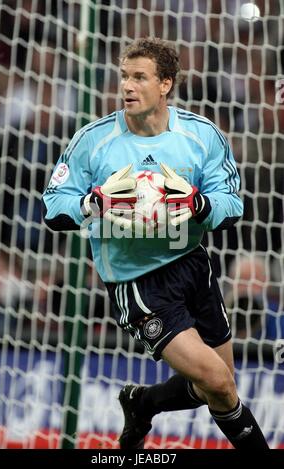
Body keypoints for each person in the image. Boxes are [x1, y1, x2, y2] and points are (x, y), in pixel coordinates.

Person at [42, 37, 269, 450]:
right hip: (137, 281)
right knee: (216, 379)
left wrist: (200, 205)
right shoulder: (93, 142)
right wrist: (92, 204)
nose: (127, 86)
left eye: (139, 77)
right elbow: (53, 207)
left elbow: (231, 202)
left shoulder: (201, 137)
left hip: (192, 264)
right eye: (124, 76)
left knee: (218, 386)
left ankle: (142, 403)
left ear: (165, 84)